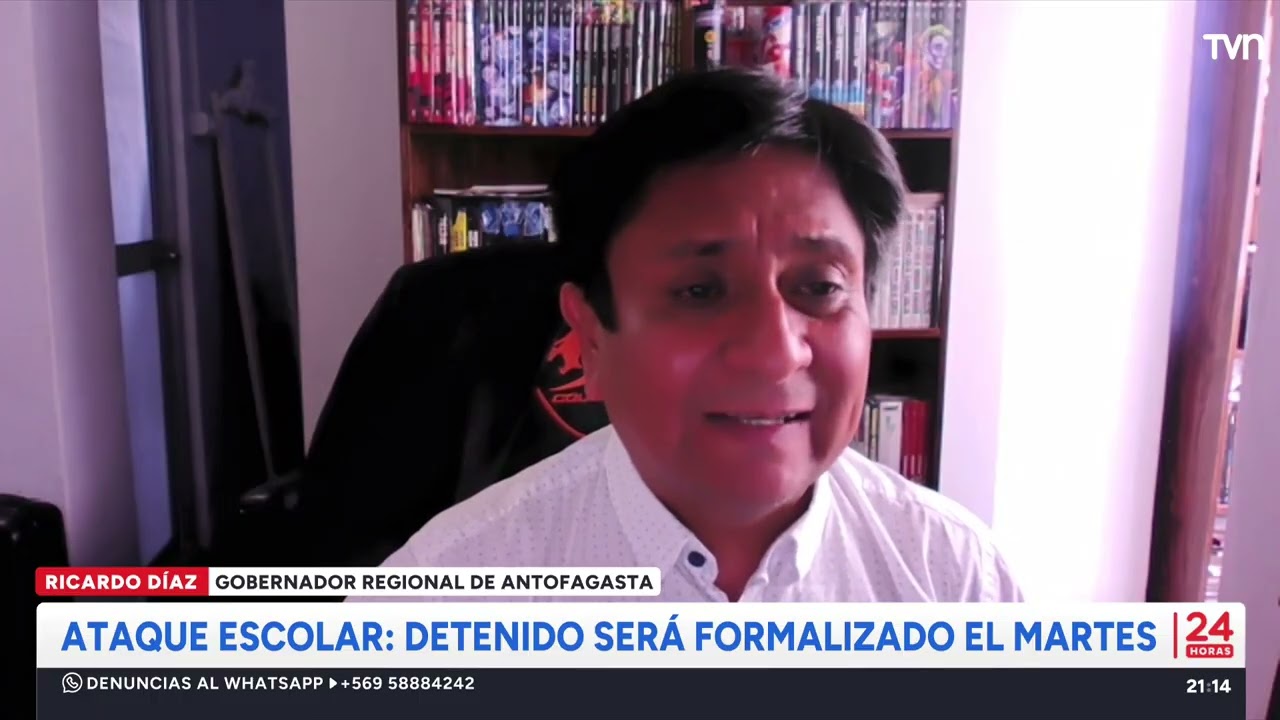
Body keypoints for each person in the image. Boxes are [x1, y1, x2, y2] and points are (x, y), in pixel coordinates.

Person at [372, 68, 1022, 603]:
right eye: (700, 292)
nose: (775, 354)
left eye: (820, 287)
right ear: (591, 338)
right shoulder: (442, 600)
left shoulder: (954, 578)